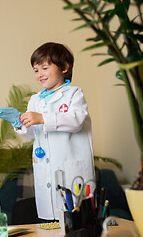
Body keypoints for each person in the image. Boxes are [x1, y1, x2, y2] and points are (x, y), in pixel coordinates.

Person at [15, 42, 95, 221]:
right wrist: (20, 124)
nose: (39, 74)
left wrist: (43, 118)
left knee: (76, 220)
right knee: (49, 220)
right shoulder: (35, 100)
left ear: (64, 67)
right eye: (36, 70)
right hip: (45, 171)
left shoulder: (74, 94)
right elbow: (33, 133)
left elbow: (76, 120)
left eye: (44, 67)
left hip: (71, 171)